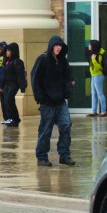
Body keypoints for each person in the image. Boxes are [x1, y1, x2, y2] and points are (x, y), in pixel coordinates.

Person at [31, 35, 76, 167]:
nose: (58, 48)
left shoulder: (63, 61)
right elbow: (35, 78)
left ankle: (64, 155)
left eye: (60, 46)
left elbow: (68, 76)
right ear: (51, 46)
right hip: (47, 103)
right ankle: (42, 157)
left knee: (66, 125)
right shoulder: (43, 59)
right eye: (56, 45)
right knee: (45, 130)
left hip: (60, 102)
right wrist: (40, 98)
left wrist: (67, 90)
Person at [0, 42, 26, 127]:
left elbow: (20, 75)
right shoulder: (7, 61)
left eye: (9, 51)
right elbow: (4, 75)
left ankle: (12, 118)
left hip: (14, 84)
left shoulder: (18, 62)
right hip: (7, 84)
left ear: (13, 51)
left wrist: (22, 86)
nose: (7, 52)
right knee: (6, 101)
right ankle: (14, 118)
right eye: (6, 51)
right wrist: (1, 85)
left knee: (9, 99)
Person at [86, 39, 107, 117]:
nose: (88, 46)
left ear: (93, 46)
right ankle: (94, 111)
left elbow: (99, 67)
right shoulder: (93, 53)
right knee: (94, 93)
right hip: (93, 75)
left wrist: (94, 60)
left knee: (100, 93)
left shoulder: (98, 55)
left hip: (98, 75)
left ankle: (103, 111)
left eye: (90, 45)